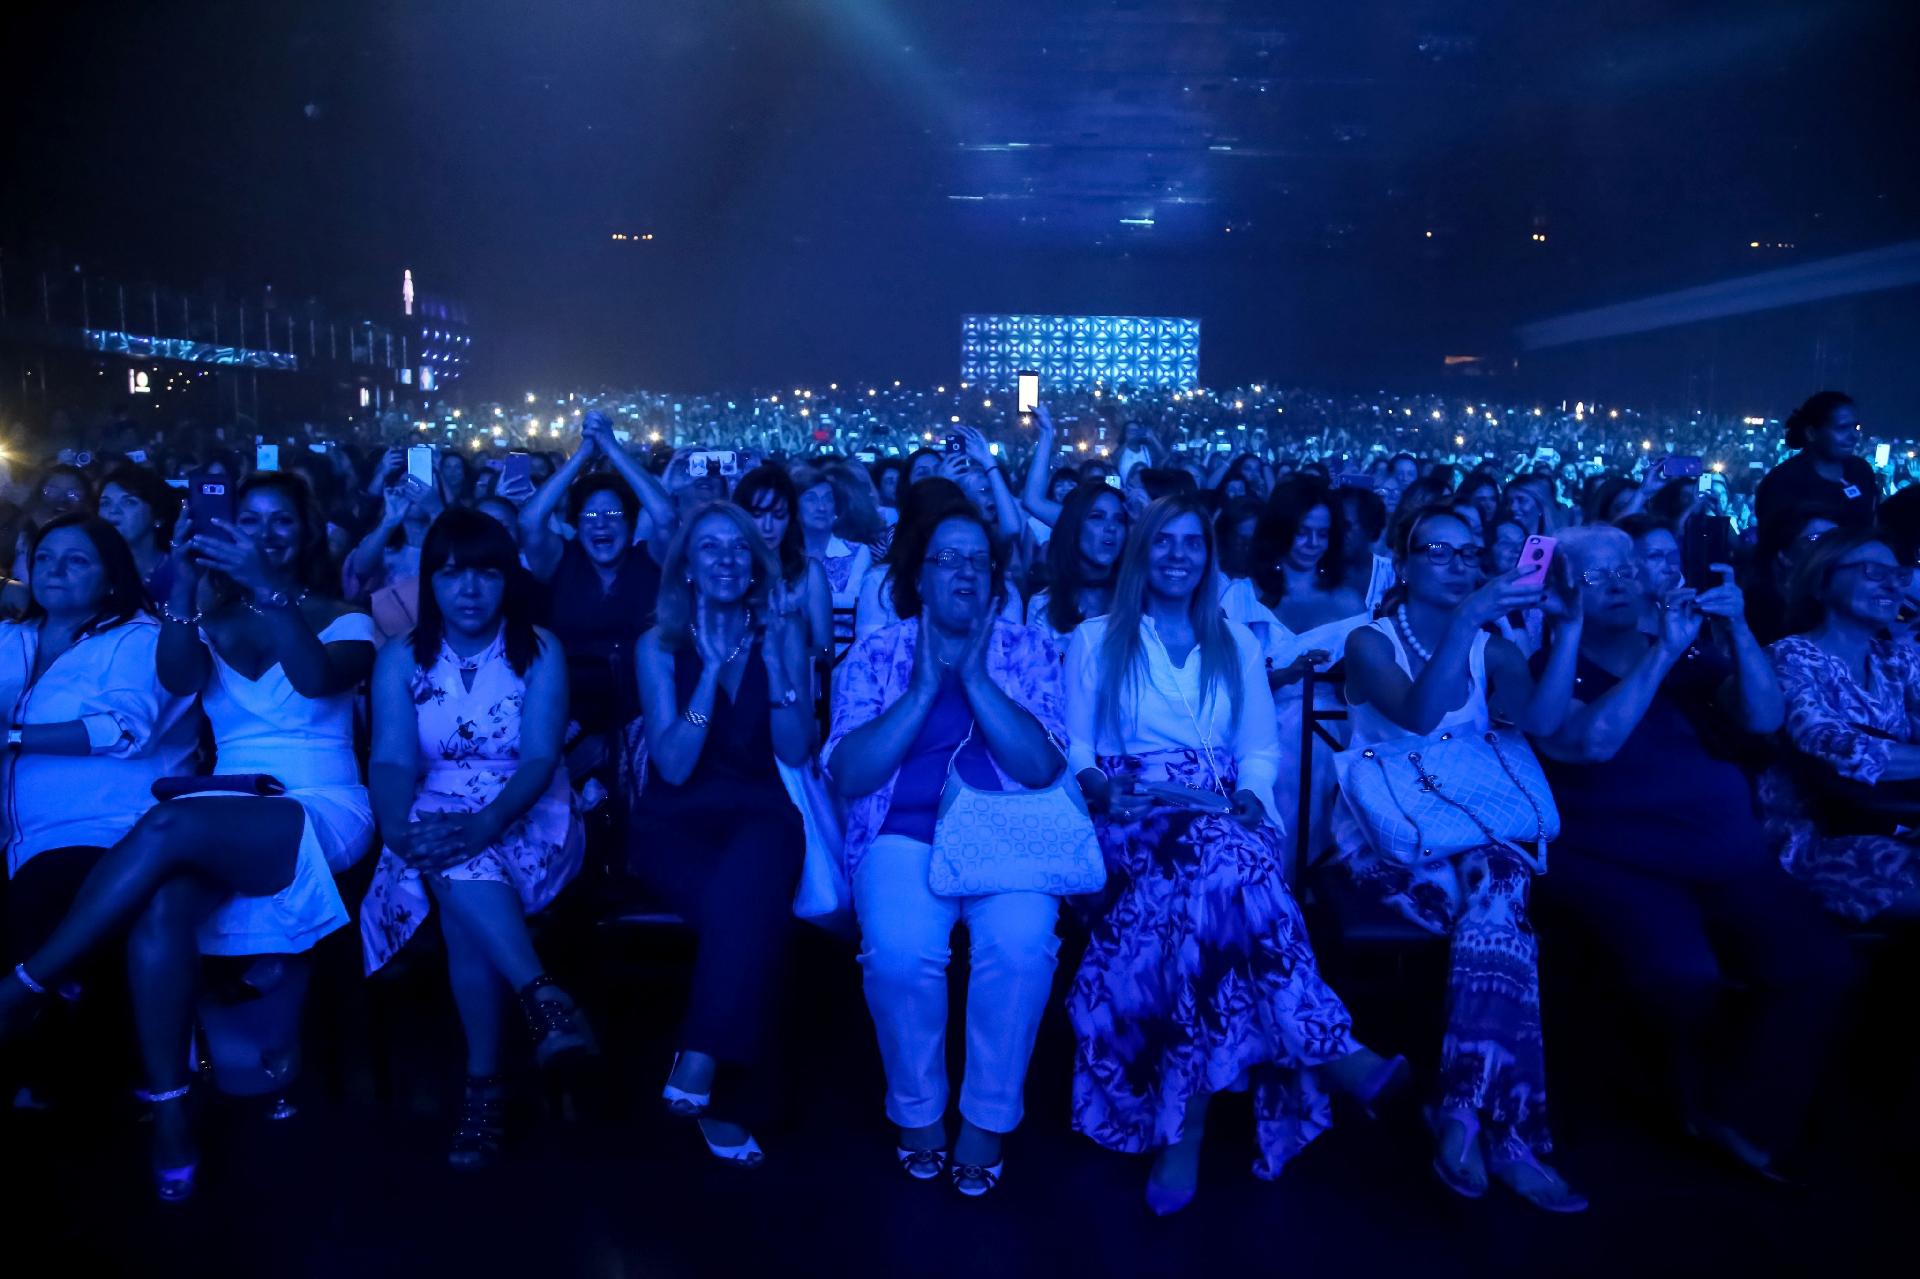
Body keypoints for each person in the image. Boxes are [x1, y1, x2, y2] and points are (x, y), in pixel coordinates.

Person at [0, 473, 376, 1201]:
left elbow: (313, 679)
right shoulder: (209, 616)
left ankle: (26, 983)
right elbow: (175, 673)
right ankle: (170, 1109)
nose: (265, 534)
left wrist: (268, 587)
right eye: (248, 520)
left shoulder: (346, 615)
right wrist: (183, 589)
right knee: (163, 906)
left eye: (280, 522)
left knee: (167, 821)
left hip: (318, 804)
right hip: (221, 804)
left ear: (307, 531)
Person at [1065, 495, 1406, 1215]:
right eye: (1164, 542)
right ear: (1142, 553)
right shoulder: (1096, 639)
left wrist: (1252, 795)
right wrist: (1099, 786)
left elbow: (1256, 749)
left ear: (1209, 555)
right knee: (1227, 871)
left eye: (1192, 543)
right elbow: (1080, 749)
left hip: (1217, 805)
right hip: (1132, 810)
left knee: (1221, 868)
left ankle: (1182, 1124)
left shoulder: (1238, 642)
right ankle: (1335, 1050)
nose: (1178, 555)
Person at [1535, 525, 1859, 1182]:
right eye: (1597, 575)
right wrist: (1660, 657)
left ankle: (1738, 1112)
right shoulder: (1551, 663)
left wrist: (1737, 632)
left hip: (1727, 855)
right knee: (1683, 977)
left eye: (1627, 568)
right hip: (1618, 857)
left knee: (1827, 965)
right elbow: (1589, 741)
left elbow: (1764, 718)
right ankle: (1680, 1101)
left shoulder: (1687, 655)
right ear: (1562, 586)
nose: (1621, 581)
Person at [1336, 506, 1586, 1212]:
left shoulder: (1496, 645)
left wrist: (1567, 627)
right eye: (1435, 550)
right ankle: (1512, 1135)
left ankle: (1463, 1113)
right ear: (1404, 562)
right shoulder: (1369, 641)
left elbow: (1543, 723)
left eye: (1465, 553)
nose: (1453, 563)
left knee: (1496, 896)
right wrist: (1470, 619)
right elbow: (1420, 714)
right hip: (1390, 837)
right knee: (1503, 914)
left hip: (1472, 835)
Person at [827, 499, 1066, 1197]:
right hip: (904, 832)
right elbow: (848, 772)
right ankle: (918, 1109)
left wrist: (977, 679)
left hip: (1010, 834)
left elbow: (1042, 767)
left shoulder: (1028, 649)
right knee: (902, 953)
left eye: (978, 560)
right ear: (920, 578)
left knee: (1020, 946)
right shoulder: (877, 652)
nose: (965, 570)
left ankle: (989, 1115)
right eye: (947, 558)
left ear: (995, 580)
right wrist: (926, 687)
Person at [361, 509, 593, 1169]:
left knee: (460, 866)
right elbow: (393, 761)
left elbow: (540, 758)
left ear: (507, 579)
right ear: (429, 580)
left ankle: (485, 1086)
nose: (469, 589)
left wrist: (483, 822)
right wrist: (399, 827)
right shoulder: (401, 657)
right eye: (452, 572)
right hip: (429, 807)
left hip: (529, 810)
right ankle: (543, 1000)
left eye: (487, 572)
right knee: (455, 866)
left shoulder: (537, 648)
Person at [632, 503, 814, 1166]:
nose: (728, 560)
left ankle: (700, 1057)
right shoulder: (659, 641)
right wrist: (708, 671)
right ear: (686, 564)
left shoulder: (782, 630)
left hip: (763, 812)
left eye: (739, 548)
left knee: (757, 874)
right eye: (710, 548)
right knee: (752, 920)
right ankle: (732, 1094)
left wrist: (780, 674)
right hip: (676, 823)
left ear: (757, 562)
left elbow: (796, 751)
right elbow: (673, 765)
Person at [1, 515, 200, 1101]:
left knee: (43, 896)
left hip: (107, 835)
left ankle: (65, 1087)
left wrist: (13, 737)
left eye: (76, 560)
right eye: (44, 559)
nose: (54, 570)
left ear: (113, 578)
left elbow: (120, 727)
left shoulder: (137, 639)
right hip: (20, 840)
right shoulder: (11, 639)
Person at [1761, 530, 1920, 921]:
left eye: (1898, 575)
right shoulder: (1790, 657)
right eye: (1873, 571)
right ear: (1821, 580)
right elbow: (1829, 743)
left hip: (1894, 822)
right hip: (1817, 839)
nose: (1891, 584)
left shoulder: (1895, 659)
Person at [734, 464, 834, 660]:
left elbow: (825, 653)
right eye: (758, 515)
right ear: (742, 515)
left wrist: (789, 643)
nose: (768, 526)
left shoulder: (809, 573)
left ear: (790, 518)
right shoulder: (731, 569)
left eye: (778, 515)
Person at [1755, 391, 1875, 532]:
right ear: (1811, 433)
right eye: (1842, 428)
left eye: (1856, 427)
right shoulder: (1784, 481)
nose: (1854, 435)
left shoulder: (1860, 470)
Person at [1024, 479, 1127, 642]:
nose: (1111, 527)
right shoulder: (1043, 606)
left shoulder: (1135, 598)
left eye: (1119, 519)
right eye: (1097, 517)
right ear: (1073, 527)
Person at [96, 464, 183, 603]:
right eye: (105, 503)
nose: (113, 511)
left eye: (129, 502)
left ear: (158, 516)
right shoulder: (91, 569)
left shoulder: (181, 572)